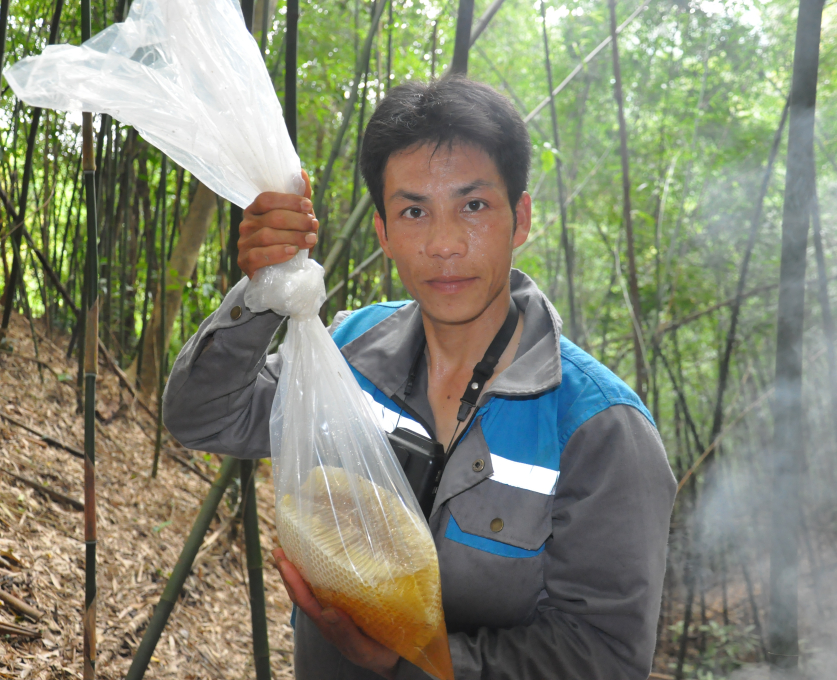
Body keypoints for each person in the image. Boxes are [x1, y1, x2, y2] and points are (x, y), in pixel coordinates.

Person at [163, 76, 676, 680]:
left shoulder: (600, 428)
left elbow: (605, 658)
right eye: (413, 211)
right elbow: (203, 415)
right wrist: (266, 294)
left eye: (474, 206)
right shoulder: (353, 352)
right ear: (382, 233)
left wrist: (410, 665)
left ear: (522, 218)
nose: (443, 244)